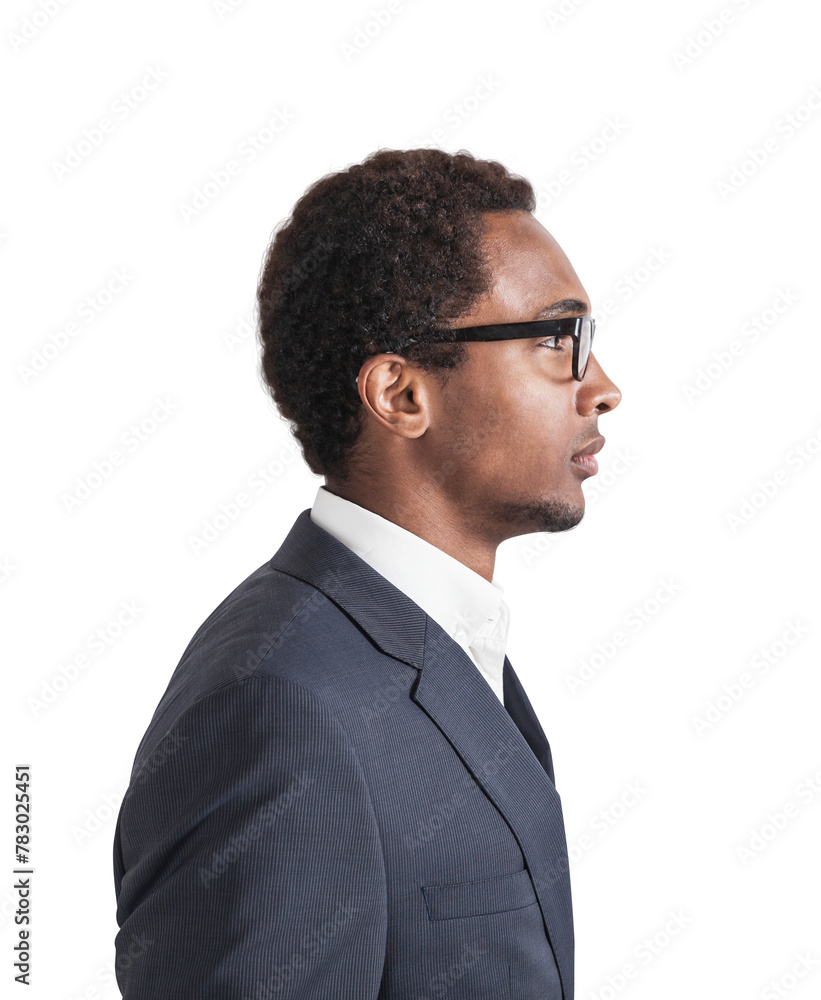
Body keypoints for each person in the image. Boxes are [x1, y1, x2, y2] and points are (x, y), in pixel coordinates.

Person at [112, 147, 621, 999]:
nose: (601, 387)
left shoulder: (432, 641)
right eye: (552, 338)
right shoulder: (278, 704)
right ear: (399, 394)